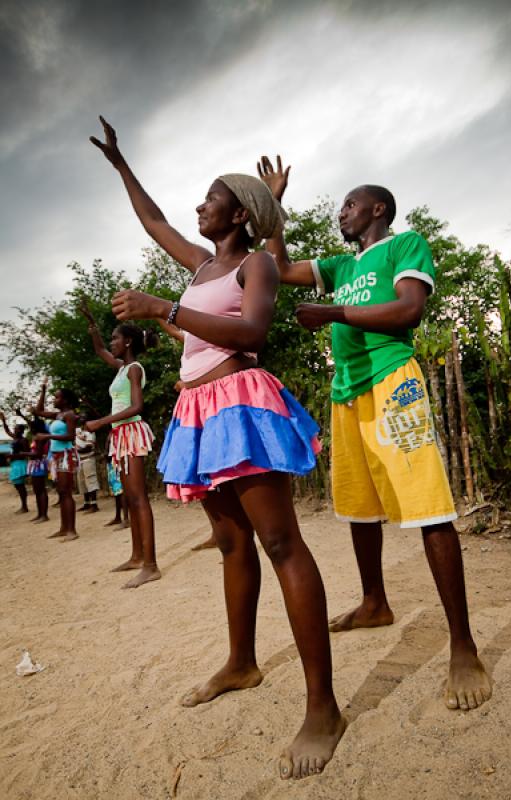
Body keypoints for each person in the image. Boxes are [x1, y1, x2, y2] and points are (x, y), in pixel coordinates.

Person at [90, 116, 345, 780]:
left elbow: (252, 327)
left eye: (209, 198)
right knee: (232, 545)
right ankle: (242, 662)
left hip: (239, 400)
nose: (197, 207)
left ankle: (323, 706)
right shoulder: (202, 264)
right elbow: (153, 224)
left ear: (238, 212)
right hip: (198, 408)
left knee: (280, 543)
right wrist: (121, 165)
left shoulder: (256, 263)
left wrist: (162, 311)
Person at [256, 155, 492, 713]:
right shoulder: (340, 264)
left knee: (428, 508)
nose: (342, 212)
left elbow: (409, 311)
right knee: (360, 509)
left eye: (350, 205)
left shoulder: (405, 245)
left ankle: (463, 644)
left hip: (394, 383)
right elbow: (280, 267)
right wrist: (275, 209)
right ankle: (374, 602)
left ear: (377, 209)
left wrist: (336, 311)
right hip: (347, 391)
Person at [80, 299, 160, 589]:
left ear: (127, 342)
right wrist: (92, 326)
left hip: (131, 433)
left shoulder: (135, 368)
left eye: (115, 338)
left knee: (138, 499)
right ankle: (137, 556)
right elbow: (100, 350)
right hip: (120, 437)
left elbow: (138, 406)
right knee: (129, 497)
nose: (111, 342)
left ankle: (150, 565)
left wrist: (101, 422)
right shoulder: (120, 368)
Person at [156, 318, 216, 552]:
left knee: (218, 473)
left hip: (213, 407)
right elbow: (174, 330)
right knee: (201, 474)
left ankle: (234, 535)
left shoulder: (216, 334)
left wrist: (187, 385)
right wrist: (157, 312)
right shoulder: (193, 338)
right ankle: (219, 533)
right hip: (195, 411)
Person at [31, 379, 79, 540]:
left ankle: (71, 530)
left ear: (65, 400)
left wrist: (48, 435)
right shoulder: (58, 414)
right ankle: (64, 528)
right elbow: (38, 412)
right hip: (56, 456)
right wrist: (43, 390)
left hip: (66, 455)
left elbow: (71, 436)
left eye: (57, 397)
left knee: (66, 492)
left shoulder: (70, 415)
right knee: (61, 491)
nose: (54, 400)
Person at [0, 412, 29, 513]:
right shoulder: (16, 438)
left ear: (21, 431)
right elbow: (7, 430)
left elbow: (26, 454)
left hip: (20, 464)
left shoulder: (23, 440)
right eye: (14, 429)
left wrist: (11, 456)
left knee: (20, 486)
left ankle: (24, 507)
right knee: (18, 485)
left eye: (16, 429)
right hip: (15, 464)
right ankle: (24, 506)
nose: (14, 430)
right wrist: (3, 420)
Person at [25, 417, 50, 523]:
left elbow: (38, 454)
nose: (30, 428)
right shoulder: (37, 437)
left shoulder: (41, 438)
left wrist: (23, 453)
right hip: (36, 464)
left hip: (39, 464)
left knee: (40, 490)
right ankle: (40, 514)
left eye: (32, 426)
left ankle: (44, 515)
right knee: (37, 490)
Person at [104, 431, 129, 528]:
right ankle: (118, 516)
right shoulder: (112, 432)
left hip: (117, 463)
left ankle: (126, 518)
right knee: (116, 491)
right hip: (111, 464)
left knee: (120, 490)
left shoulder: (119, 432)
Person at [75, 417, 100, 513]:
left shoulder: (91, 433)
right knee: (82, 482)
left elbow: (88, 448)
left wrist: (75, 450)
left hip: (88, 459)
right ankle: (86, 503)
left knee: (91, 480)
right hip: (80, 460)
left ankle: (94, 504)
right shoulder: (77, 431)